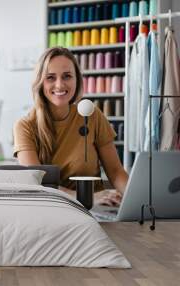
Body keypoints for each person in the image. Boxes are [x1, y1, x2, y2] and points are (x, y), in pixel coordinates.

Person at [13, 47, 128, 206]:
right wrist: (84, 197)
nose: (59, 85)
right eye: (51, 77)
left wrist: (136, 200)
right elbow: (35, 183)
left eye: (67, 76)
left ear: (77, 80)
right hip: (51, 209)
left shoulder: (92, 116)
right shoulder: (25, 126)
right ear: (40, 82)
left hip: (96, 210)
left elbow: (115, 172)